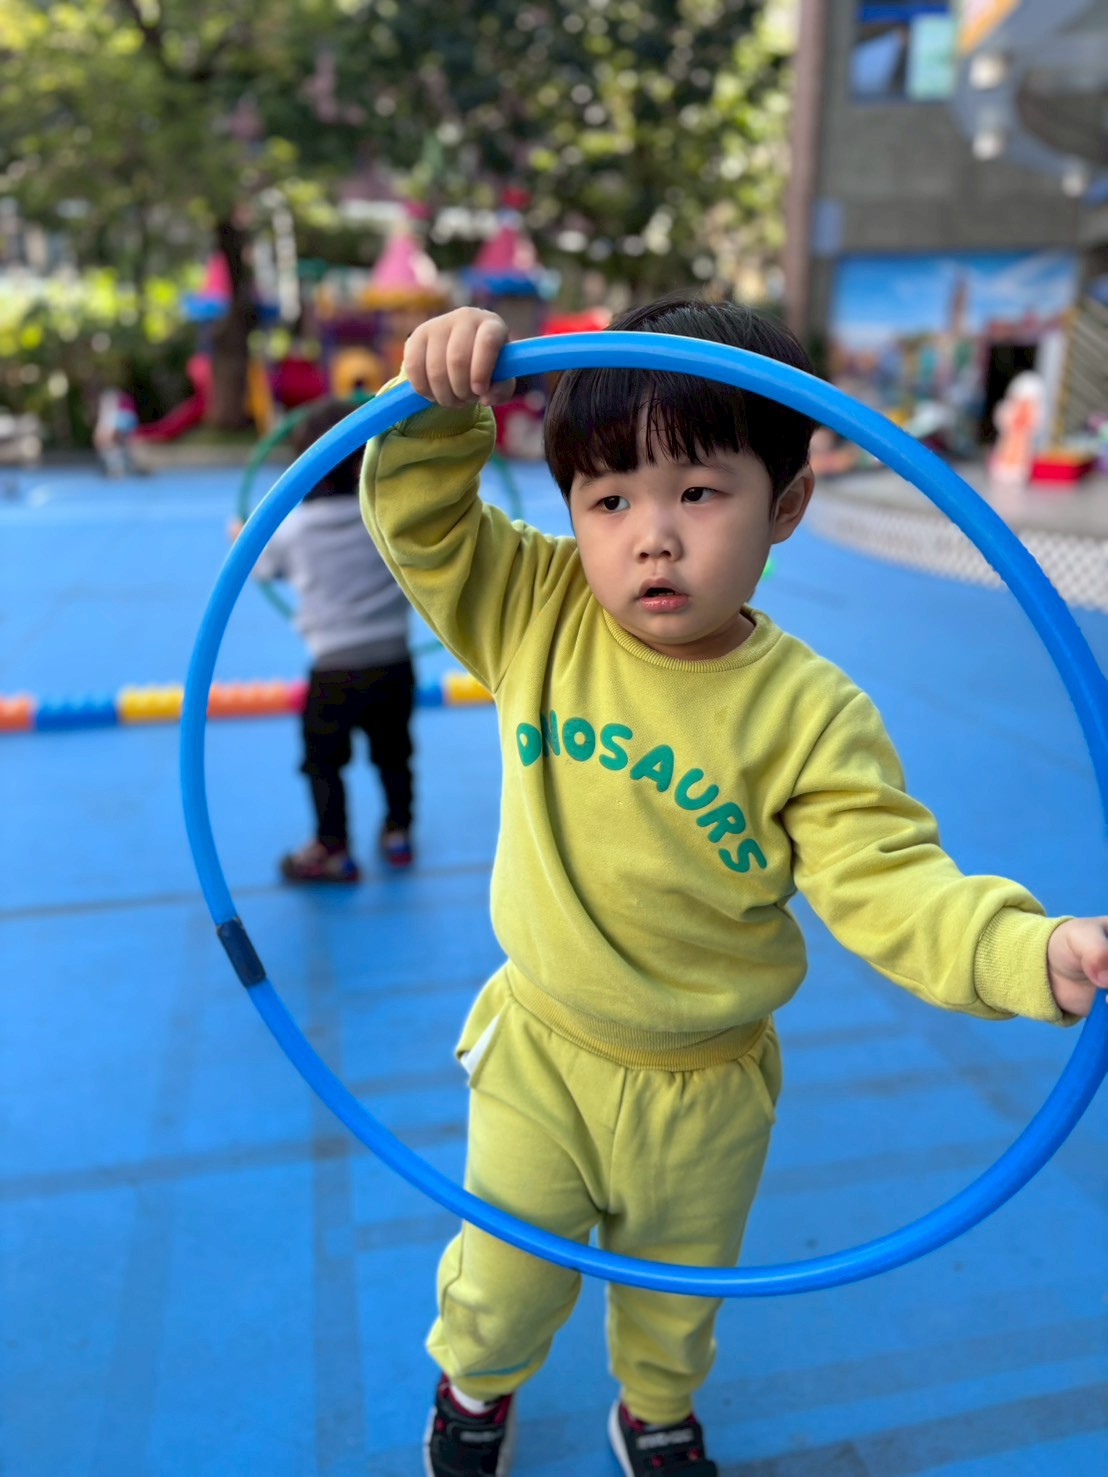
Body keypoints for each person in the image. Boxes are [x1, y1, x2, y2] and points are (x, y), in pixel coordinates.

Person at [359, 299, 1108, 1477]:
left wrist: (1032, 951)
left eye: (699, 492)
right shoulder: (536, 610)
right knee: (504, 1272)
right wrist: (437, 407)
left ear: (787, 505)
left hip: (706, 1088)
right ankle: (474, 1385)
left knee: (680, 1289)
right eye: (608, 500)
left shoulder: (810, 716)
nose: (651, 538)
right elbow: (422, 525)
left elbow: (893, 886)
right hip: (542, 1050)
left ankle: (655, 1409)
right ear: (570, 510)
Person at [253, 397, 416, 881]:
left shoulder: (294, 530)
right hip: (394, 662)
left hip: (333, 670)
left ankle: (332, 846)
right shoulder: (387, 518)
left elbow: (262, 567)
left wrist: (243, 534)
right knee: (395, 755)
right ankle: (398, 832)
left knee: (322, 762)